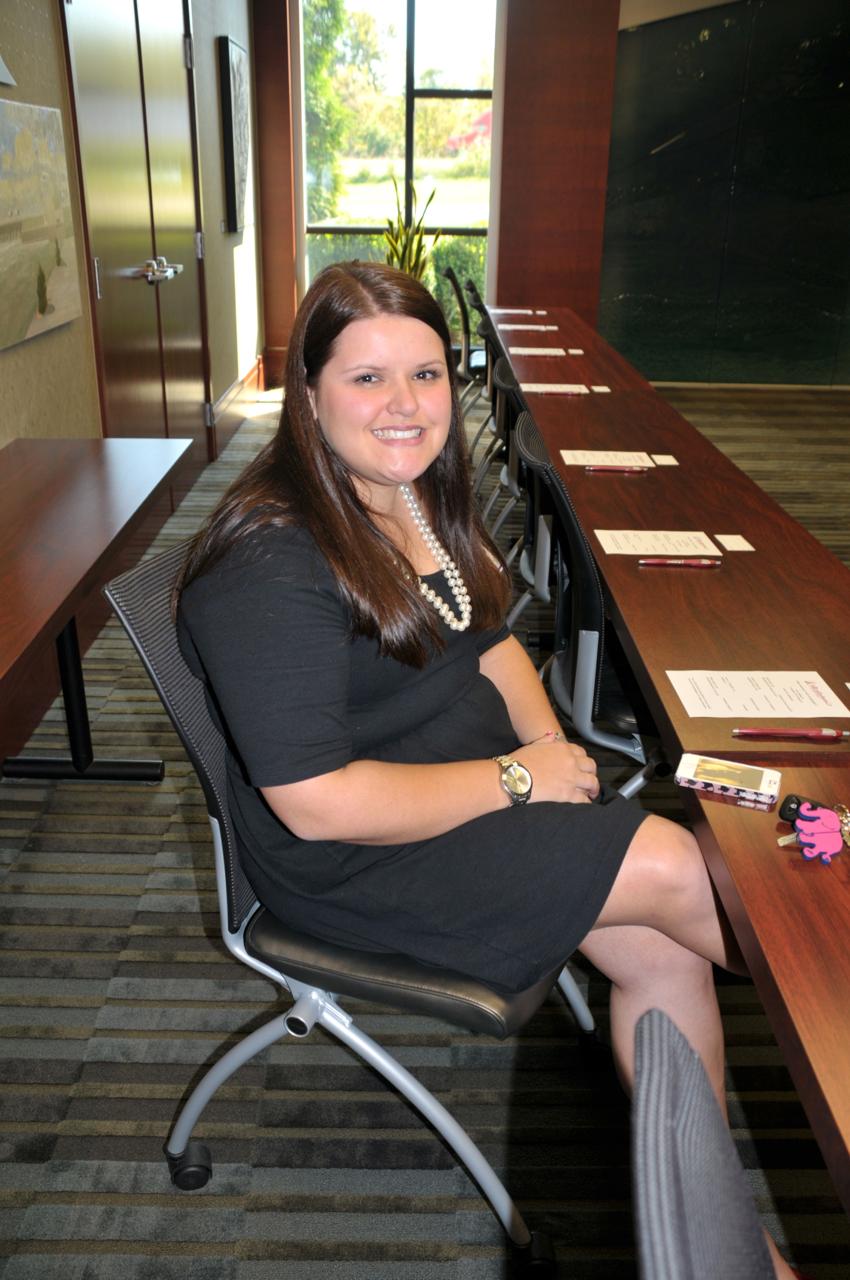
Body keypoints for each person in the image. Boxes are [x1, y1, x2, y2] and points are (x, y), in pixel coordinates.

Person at [176, 262, 796, 1279]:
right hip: (351, 856)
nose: (405, 405)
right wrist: (521, 779)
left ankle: (718, 1234)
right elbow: (317, 802)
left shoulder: (406, 496)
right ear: (309, 393)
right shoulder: (271, 559)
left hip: (453, 779)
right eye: (368, 378)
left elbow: (490, 641)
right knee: (691, 877)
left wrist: (556, 750)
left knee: (657, 953)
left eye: (424, 374)